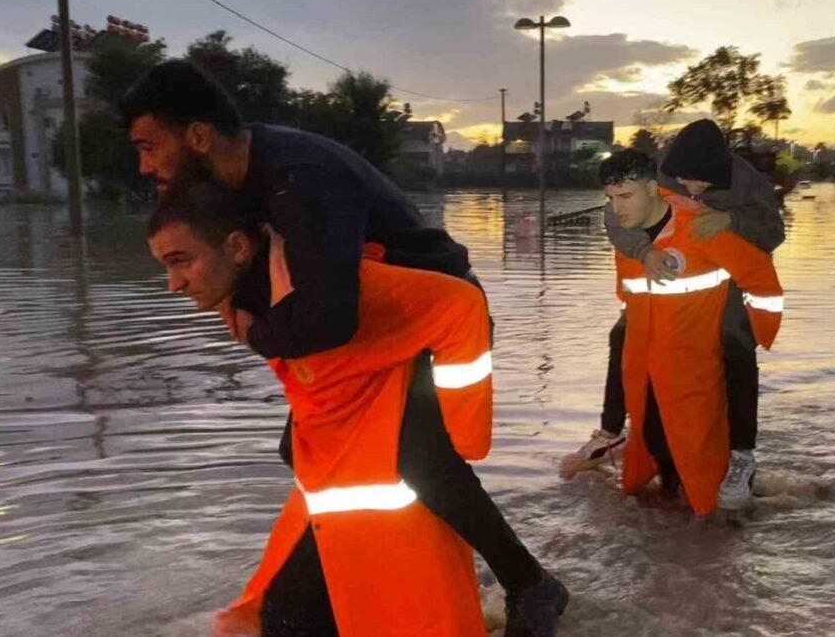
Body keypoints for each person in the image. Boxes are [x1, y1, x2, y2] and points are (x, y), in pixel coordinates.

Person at [124, 60, 565, 635]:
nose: (145, 166)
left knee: (420, 457)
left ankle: (530, 585)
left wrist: (254, 330)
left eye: (148, 146)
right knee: (299, 446)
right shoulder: (240, 180)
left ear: (198, 137)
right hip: (367, 327)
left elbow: (328, 319)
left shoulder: (298, 179)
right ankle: (333, 587)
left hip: (426, 318)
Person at [561, 120, 784, 508]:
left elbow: (773, 231)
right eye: (685, 181)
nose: (692, 189)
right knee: (623, 337)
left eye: (702, 183)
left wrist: (731, 220)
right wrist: (644, 252)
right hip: (664, 274)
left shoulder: (748, 182)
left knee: (735, 346)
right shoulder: (655, 175)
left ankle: (741, 454)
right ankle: (612, 431)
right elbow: (616, 217)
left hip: (725, 272)